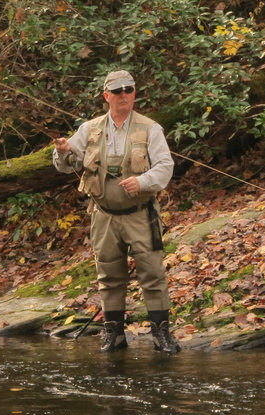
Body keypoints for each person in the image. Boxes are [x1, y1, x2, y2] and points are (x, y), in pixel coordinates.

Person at [52, 70, 180, 353]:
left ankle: (161, 334)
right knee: (108, 275)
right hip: (103, 215)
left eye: (129, 89)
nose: (124, 95)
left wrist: (142, 181)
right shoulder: (89, 129)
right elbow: (65, 163)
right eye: (118, 90)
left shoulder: (151, 129)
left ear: (134, 93)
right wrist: (61, 151)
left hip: (140, 214)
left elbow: (165, 167)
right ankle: (115, 334)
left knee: (152, 273)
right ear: (106, 96)